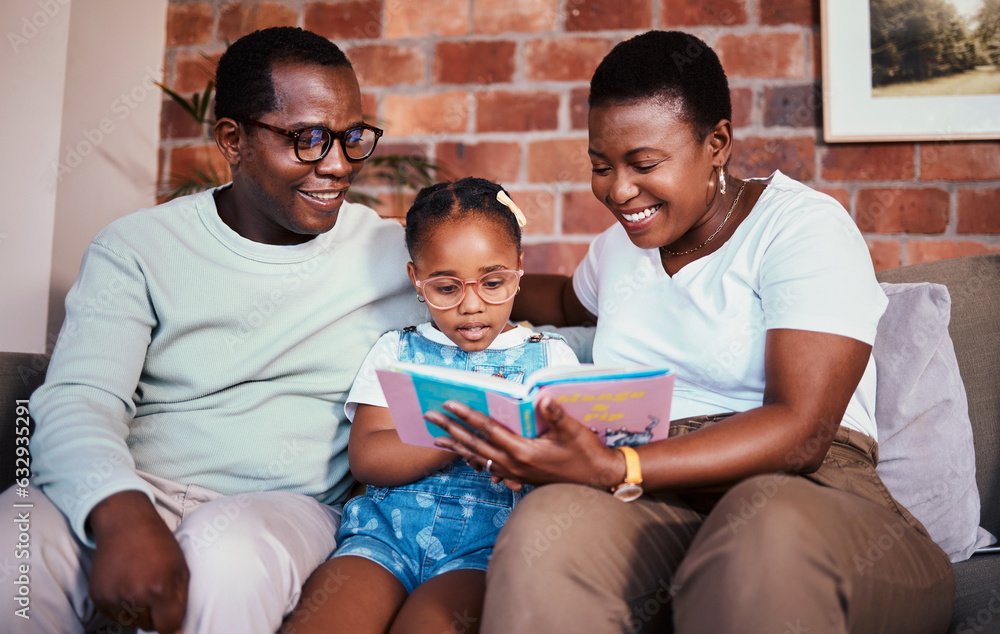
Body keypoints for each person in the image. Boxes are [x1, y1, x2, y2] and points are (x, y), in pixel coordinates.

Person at [428, 31, 955, 633]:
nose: (619, 191)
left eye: (644, 164)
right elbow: (554, 299)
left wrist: (615, 466)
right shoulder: (620, 250)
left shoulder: (801, 228)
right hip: (656, 500)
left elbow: (802, 432)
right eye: (602, 166)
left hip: (811, 494)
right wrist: (453, 270)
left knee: (764, 528)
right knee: (543, 536)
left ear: (717, 144)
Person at [0, 27, 427, 634]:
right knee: (15, 541)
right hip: (133, 483)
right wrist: (120, 512)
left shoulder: (392, 255)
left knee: (224, 559)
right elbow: (81, 399)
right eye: (306, 138)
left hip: (284, 508)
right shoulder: (138, 247)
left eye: (351, 137)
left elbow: (514, 307)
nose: (337, 165)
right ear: (233, 138)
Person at [280, 177, 580, 634]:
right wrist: (457, 438)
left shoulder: (550, 357)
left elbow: (571, 465)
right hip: (382, 540)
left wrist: (528, 462)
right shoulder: (396, 351)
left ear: (519, 269)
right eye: (446, 288)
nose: (472, 306)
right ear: (416, 281)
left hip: (484, 551)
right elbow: (367, 457)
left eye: (494, 282)